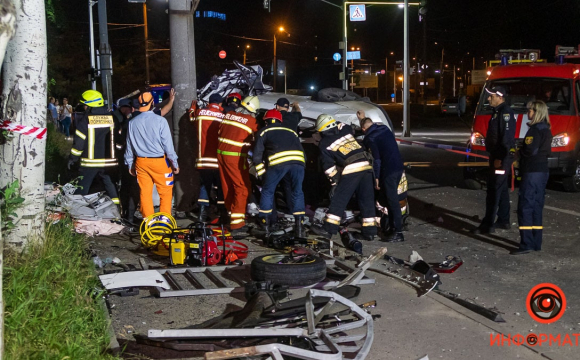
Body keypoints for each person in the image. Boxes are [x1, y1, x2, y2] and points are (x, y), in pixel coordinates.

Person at [309, 114, 378, 241]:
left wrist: (335, 183)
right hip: (367, 165)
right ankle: (370, 231)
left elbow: (329, 168)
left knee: (339, 199)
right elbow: (345, 125)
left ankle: (328, 229)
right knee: (366, 200)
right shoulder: (345, 130)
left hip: (352, 168)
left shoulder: (324, 143)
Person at [252, 109, 306, 238]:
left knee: (267, 191)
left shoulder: (264, 131)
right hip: (298, 162)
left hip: (277, 162)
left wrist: (261, 173)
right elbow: (302, 151)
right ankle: (299, 227)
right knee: (297, 191)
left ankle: (265, 225)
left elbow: (257, 156)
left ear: (266, 121)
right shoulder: (291, 131)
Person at [125, 92, 179, 220]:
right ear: (152, 103)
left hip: (141, 163)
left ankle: (148, 221)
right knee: (165, 192)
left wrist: (129, 163)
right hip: (160, 162)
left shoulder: (132, 122)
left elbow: (129, 145)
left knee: (145, 193)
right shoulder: (161, 121)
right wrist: (175, 163)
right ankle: (165, 221)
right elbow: (168, 146)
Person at [472, 85, 516, 234]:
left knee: (493, 190)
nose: (489, 98)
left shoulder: (505, 113)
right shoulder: (497, 112)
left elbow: (506, 139)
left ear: (500, 96)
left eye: (491, 96)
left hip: (500, 158)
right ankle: (503, 220)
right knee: (501, 188)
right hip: (497, 157)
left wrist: (500, 158)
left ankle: (487, 224)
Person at [512, 101, 552, 255]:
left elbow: (530, 150)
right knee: (536, 206)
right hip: (542, 171)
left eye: (529, 110)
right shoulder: (546, 129)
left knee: (525, 207)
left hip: (531, 172)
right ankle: (536, 242)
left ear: (536, 112)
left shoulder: (535, 130)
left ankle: (526, 243)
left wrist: (518, 153)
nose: (527, 113)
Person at [217, 96, 260, 236]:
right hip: (235, 157)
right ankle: (237, 224)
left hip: (221, 155)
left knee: (228, 185)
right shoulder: (251, 121)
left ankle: (232, 214)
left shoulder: (229, 115)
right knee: (242, 188)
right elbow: (257, 139)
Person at [359, 114, 405, 242]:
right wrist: (362, 118)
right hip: (398, 168)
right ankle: (391, 227)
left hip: (388, 171)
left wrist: (377, 177)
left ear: (363, 129)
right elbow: (368, 124)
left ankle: (398, 232)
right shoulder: (385, 129)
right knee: (389, 200)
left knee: (392, 201)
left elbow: (377, 159)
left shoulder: (371, 138)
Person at [68, 90, 120, 205]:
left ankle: (77, 211)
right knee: (111, 188)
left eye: (85, 105)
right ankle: (117, 210)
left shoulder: (86, 120)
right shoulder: (113, 117)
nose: (84, 108)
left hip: (89, 163)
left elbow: (78, 144)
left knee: (82, 189)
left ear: (90, 105)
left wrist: (73, 159)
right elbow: (118, 140)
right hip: (109, 163)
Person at [193, 93, 225, 222]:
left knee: (204, 186)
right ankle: (222, 214)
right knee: (220, 187)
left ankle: (201, 215)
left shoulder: (200, 113)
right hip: (217, 161)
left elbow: (191, 118)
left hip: (202, 160)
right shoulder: (223, 117)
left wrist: (192, 109)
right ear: (220, 104)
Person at [115, 99, 140, 225]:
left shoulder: (126, 122)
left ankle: (126, 214)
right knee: (133, 189)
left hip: (126, 160)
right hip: (136, 160)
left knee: (126, 187)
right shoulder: (134, 121)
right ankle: (129, 216)